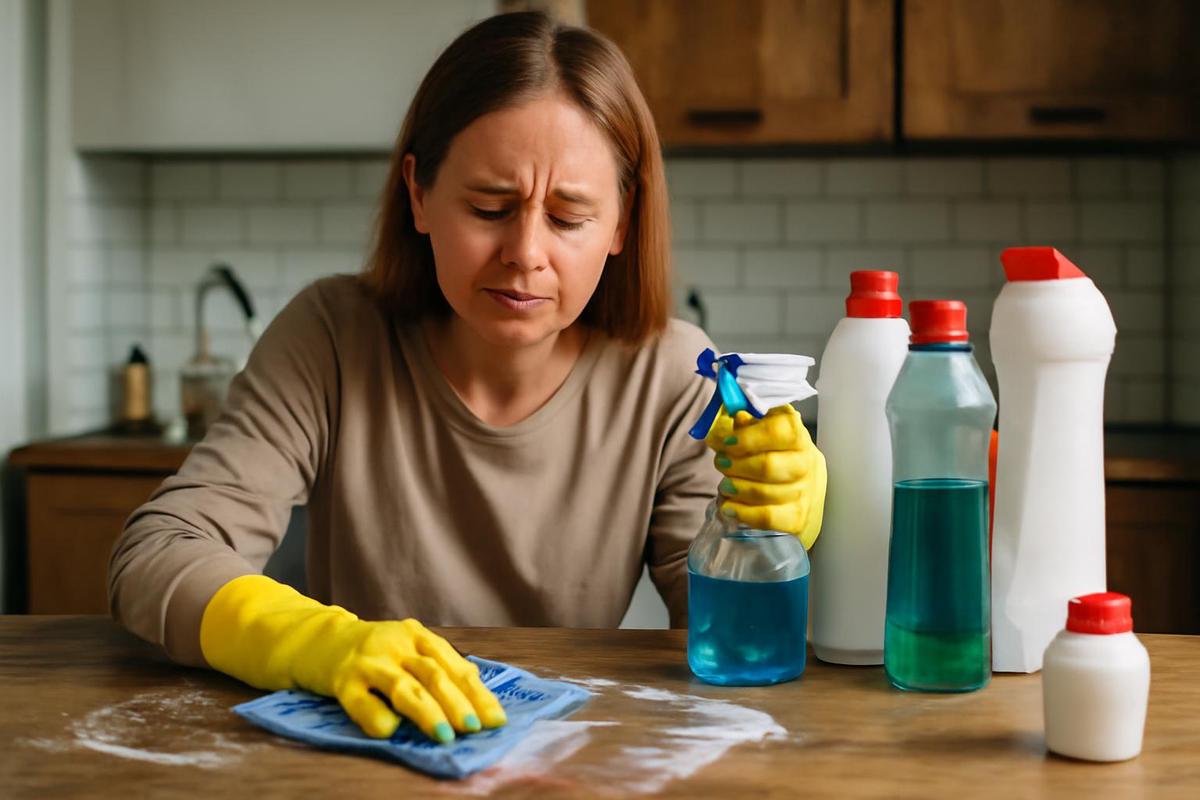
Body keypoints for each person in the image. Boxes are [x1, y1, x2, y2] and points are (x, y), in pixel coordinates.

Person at [108, 11, 826, 745]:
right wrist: (313, 641)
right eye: (490, 207)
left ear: (621, 224)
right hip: (366, 754)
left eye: (570, 217)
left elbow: (718, 633)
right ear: (418, 193)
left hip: (563, 764)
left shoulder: (672, 374)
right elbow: (159, 551)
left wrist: (774, 534)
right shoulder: (331, 336)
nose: (525, 253)